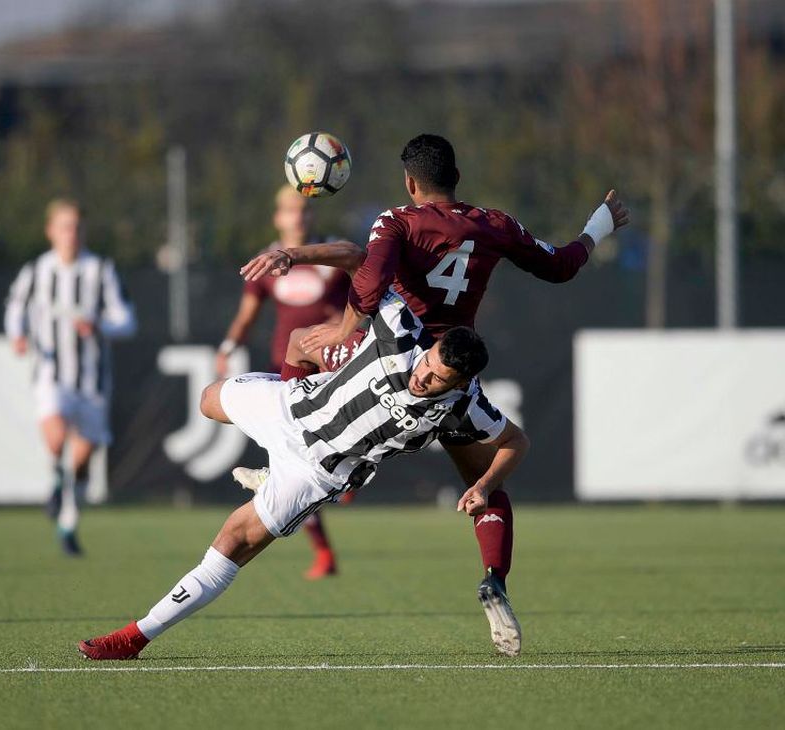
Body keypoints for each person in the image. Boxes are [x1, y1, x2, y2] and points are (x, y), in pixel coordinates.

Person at [237, 133, 630, 655]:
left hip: (395, 360)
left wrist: (340, 330)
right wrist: (597, 224)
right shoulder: (496, 224)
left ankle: (285, 459)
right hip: (455, 377)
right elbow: (560, 266)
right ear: (456, 178)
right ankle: (495, 578)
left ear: (409, 181)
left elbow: (369, 280)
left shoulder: (396, 220)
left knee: (299, 344)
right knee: (486, 486)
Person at [78, 289, 527, 660]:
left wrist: (484, 485)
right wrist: (297, 256)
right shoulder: (402, 330)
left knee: (233, 541)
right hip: (291, 407)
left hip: (314, 471)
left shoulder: (467, 406)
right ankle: (269, 469)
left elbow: (515, 442)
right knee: (209, 400)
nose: (423, 376)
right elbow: (359, 261)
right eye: (428, 363)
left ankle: (135, 637)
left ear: (459, 383)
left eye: (437, 379)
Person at [214, 184, 352, 579]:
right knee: (292, 464)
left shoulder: (334, 254)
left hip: (334, 368)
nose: (300, 217)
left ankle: (347, 474)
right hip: (287, 373)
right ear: (278, 217)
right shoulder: (265, 263)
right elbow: (247, 316)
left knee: (317, 460)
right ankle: (323, 551)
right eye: (292, 210)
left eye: (306, 209)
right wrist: (227, 345)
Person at [5, 198, 136, 556]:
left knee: (81, 462)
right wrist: (17, 334)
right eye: (64, 226)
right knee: (56, 435)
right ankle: (56, 481)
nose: (70, 234)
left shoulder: (101, 270)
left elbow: (127, 321)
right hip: (51, 373)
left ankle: (67, 522)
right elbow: (15, 308)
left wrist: (98, 325)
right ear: (50, 231)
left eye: (76, 226)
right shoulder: (36, 271)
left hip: (93, 381)